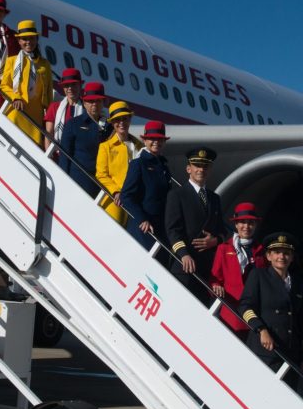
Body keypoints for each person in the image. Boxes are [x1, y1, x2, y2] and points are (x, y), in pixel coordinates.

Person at [239, 231, 303, 373]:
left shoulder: (298, 284)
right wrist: (261, 330)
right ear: (268, 256)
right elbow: (245, 307)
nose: (281, 257)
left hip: (291, 355)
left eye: (286, 253)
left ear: (292, 258)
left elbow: (302, 323)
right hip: (265, 352)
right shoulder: (259, 276)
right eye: (277, 252)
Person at [164, 146, 226, 297]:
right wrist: (183, 254)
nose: (201, 170)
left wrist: (215, 240)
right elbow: (172, 229)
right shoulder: (177, 195)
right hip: (185, 265)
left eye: (205, 166)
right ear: (188, 169)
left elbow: (223, 230)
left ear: (209, 170)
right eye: (197, 165)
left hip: (208, 268)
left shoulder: (214, 198)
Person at [210, 202, 266, 333]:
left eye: (251, 223)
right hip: (230, 312)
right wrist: (216, 286)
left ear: (256, 225)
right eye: (242, 222)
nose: (246, 226)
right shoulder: (223, 248)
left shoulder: (262, 251)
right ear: (236, 224)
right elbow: (214, 278)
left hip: (254, 314)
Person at [119, 121, 173, 251]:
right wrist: (142, 218)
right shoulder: (138, 164)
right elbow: (126, 196)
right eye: (152, 139)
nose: (156, 142)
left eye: (160, 139)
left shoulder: (164, 167)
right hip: (143, 229)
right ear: (144, 141)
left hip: (161, 229)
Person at [0, 20, 52, 145]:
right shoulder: (12, 61)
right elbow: (4, 86)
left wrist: (49, 116)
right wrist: (15, 97)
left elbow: (49, 92)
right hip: (17, 113)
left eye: (32, 38)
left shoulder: (44, 64)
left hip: (36, 116)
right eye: (24, 39)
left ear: (36, 40)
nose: (28, 42)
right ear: (19, 41)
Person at [59, 81, 108, 194]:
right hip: (78, 182)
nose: (94, 104)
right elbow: (65, 155)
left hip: (102, 185)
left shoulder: (109, 127)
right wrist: (63, 180)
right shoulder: (73, 124)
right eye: (90, 101)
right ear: (84, 102)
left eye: (98, 100)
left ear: (103, 103)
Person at [96, 101, 140, 224]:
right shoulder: (105, 147)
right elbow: (101, 174)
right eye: (117, 120)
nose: (121, 123)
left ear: (130, 119)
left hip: (136, 200)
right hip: (115, 201)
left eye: (125, 119)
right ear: (112, 123)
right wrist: (116, 191)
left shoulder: (139, 146)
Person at [44, 68, 84, 151]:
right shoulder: (54, 107)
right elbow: (48, 134)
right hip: (57, 155)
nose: (70, 88)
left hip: (79, 157)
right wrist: (48, 157)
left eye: (74, 84)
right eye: (66, 85)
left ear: (80, 85)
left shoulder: (86, 109)